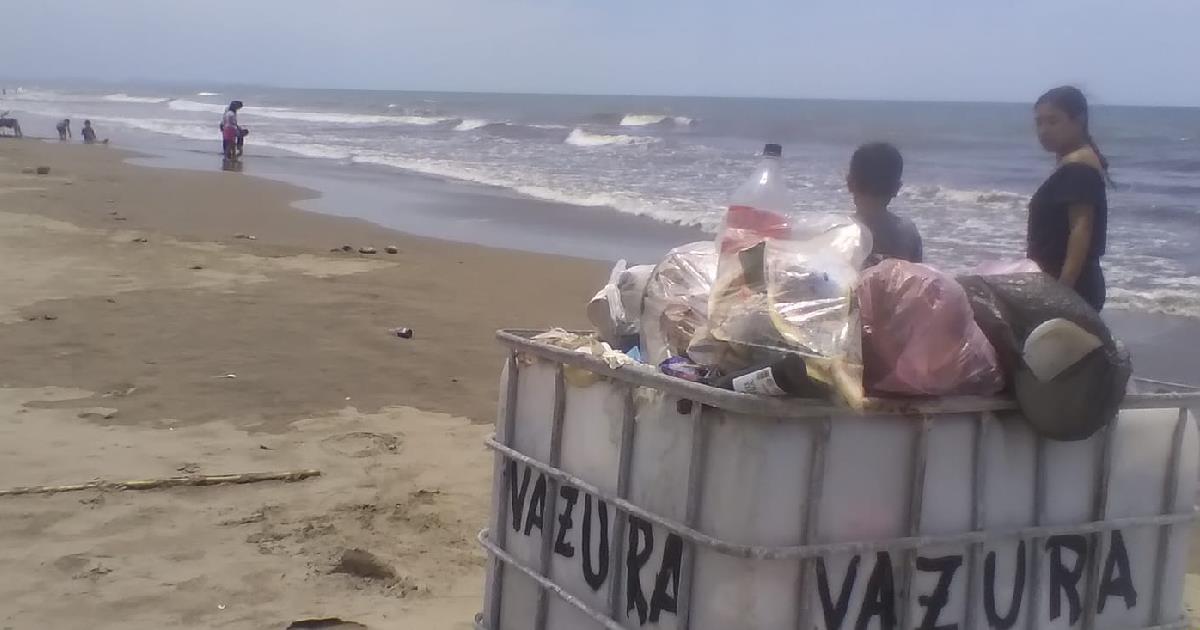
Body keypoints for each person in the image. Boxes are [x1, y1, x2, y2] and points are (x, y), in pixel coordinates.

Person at [1027, 86, 1109, 311]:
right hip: (1063, 281)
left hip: (1072, 285)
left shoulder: (1079, 167)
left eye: (1053, 121)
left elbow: (1081, 230)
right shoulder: (1075, 163)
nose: (1044, 130)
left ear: (1079, 120)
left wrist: (1063, 290)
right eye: (1039, 123)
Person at [847, 142, 923, 267]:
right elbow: (919, 279)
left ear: (849, 183)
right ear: (896, 189)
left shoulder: (841, 233)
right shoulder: (908, 232)